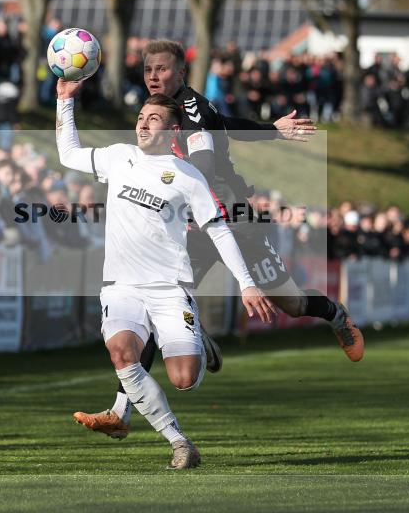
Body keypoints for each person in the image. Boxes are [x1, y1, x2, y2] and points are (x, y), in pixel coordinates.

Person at [73, 40, 363, 440]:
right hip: (191, 227)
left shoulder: (192, 112)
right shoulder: (161, 109)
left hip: (233, 220)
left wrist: (170, 187)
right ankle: (123, 411)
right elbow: (228, 122)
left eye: (161, 69)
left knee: (290, 303)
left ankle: (333, 312)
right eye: (148, 70)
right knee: (153, 301)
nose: (153, 76)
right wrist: (271, 130)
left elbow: (204, 164)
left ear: (180, 74)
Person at [56, 78, 277, 469]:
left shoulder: (189, 176)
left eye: (153, 118)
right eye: (141, 117)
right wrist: (65, 102)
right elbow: (69, 153)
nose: (142, 124)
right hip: (121, 286)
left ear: (173, 129)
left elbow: (219, 230)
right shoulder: (120, 156)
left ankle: (196, 343)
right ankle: (179, 443)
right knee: (122, 352)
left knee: (183, 379)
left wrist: (247, 283)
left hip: (171, 287)